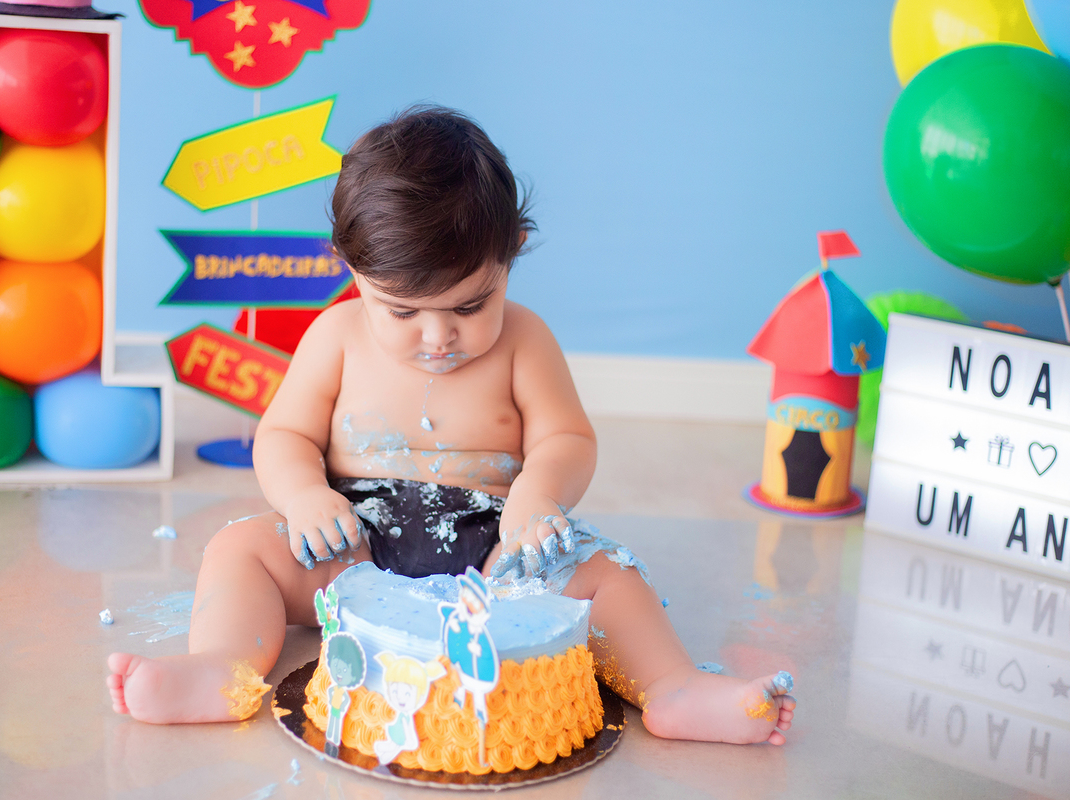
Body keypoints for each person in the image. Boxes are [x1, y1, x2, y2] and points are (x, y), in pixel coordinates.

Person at [107, 106, 796, 745]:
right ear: (352, 271)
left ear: (512, 254)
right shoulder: (335, 336)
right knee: (239, 551)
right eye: (402, 312)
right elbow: (284, 436)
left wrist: (539, 494)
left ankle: (673, 690)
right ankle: (219, 668)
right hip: (356, 545)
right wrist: (304, 498)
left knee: (612, 577)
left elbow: (567, 439)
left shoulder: (527, 341)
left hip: (502, 552)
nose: (439, 337)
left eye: (471, 305)